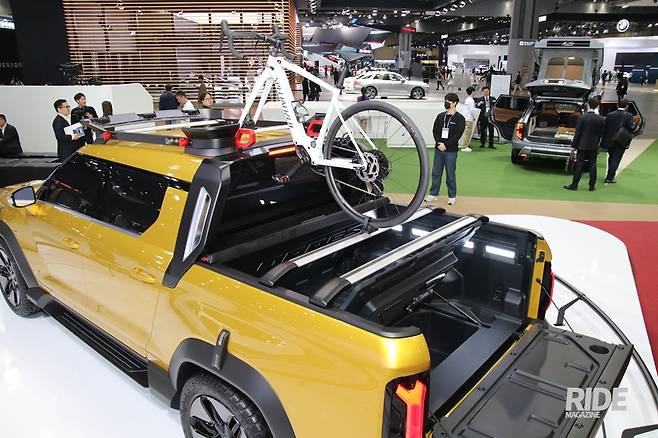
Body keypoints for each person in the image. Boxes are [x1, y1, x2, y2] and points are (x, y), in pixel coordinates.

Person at [425, 92, 465, 206]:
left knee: (450, 174)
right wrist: (439, 143)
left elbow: (458, 135)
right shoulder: (440, 116)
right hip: (439, 149)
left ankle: (451, 196)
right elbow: (435, 130)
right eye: (445, 101)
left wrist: (446, 145)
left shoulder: (460, 118)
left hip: (451, 151)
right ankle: (433, 193)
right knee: (436, 172)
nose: (446, 103)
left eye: (448, 101)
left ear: (454, 103)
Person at [564, 96, 606, 192]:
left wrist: (574, 145)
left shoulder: (582, 117)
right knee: (593, 165)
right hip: (594, 145)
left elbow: (578, 133)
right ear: (597, 106)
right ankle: (591, 186)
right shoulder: (600, 119)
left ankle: (574, 185)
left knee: (579, 165)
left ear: (588, 105)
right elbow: (601, 133)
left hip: (582, 145)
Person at [602, 99, 636, 184]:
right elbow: (631, 128)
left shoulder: (610, 115)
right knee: (616, 159)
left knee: (611, 157)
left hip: (610, 140)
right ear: (627, 106)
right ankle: (610, 177)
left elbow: (605, 127)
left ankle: (610, 174)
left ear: (617, 105)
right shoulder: (629, 115)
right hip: (621, 140)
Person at [461, 86, 476, 152]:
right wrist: (474, 117)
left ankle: (465, 145)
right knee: (468, 133)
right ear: (472, 92)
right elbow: (471, 110)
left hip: (465, 117)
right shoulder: (471, 100)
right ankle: (465, 146)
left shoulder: (467, 99)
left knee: (466, 133)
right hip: (469, 118)